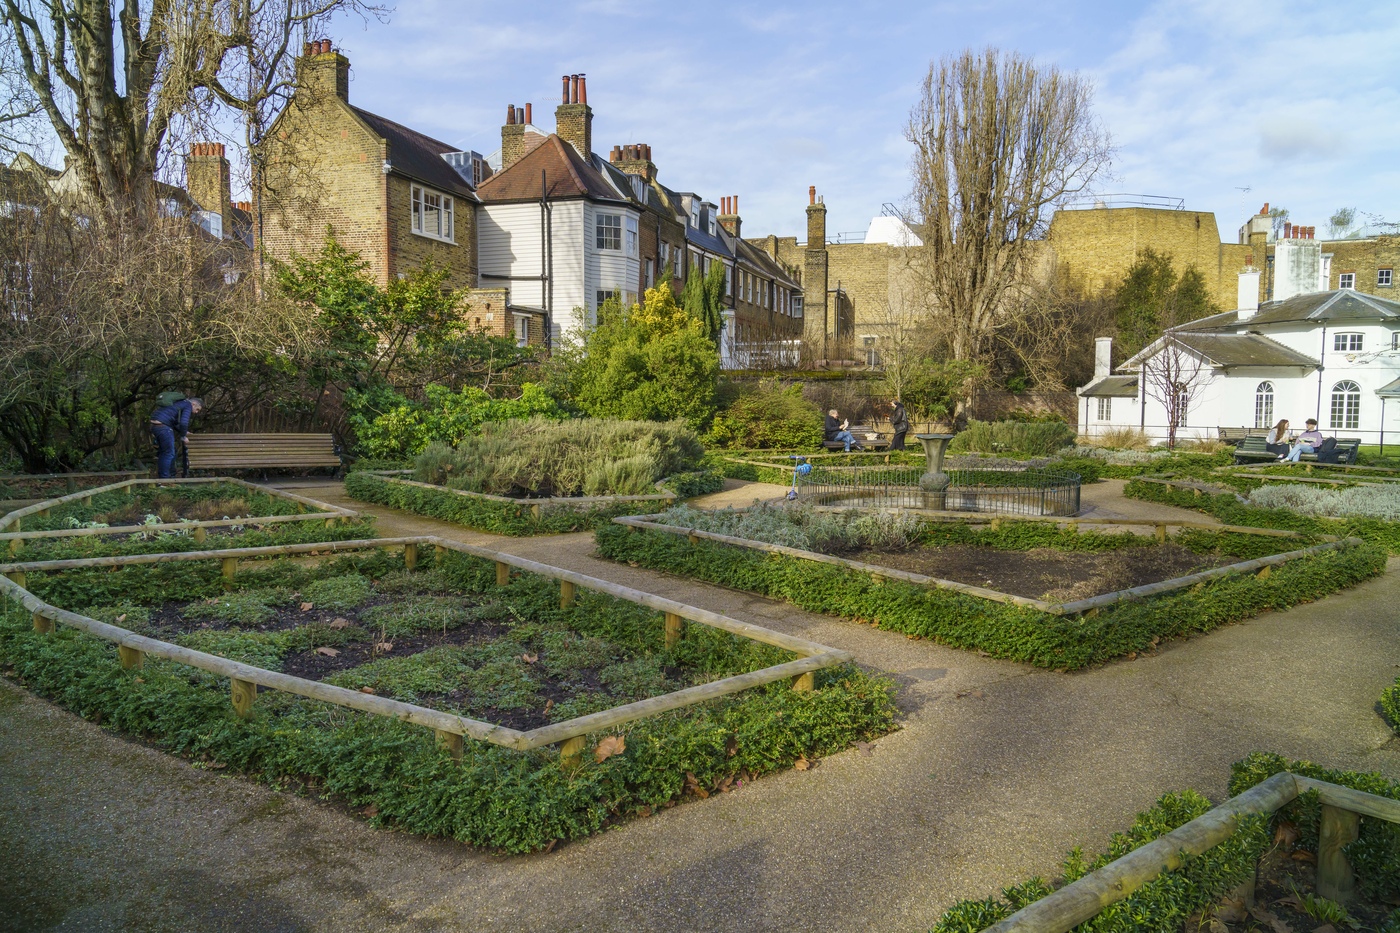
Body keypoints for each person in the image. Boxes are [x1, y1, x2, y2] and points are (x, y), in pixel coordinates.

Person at [150, 396, 203, 479]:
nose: (196, 412)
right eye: (197, 409)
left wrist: (184, 431)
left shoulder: (178, 403)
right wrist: (183, 436)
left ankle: (170, 477)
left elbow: (173, 422)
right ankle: (164, 480)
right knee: (168, 453)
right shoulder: (188, 405)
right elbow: (184, 423)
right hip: (163, 428)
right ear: (193, 404)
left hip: (155, 426)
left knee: (169, 452)